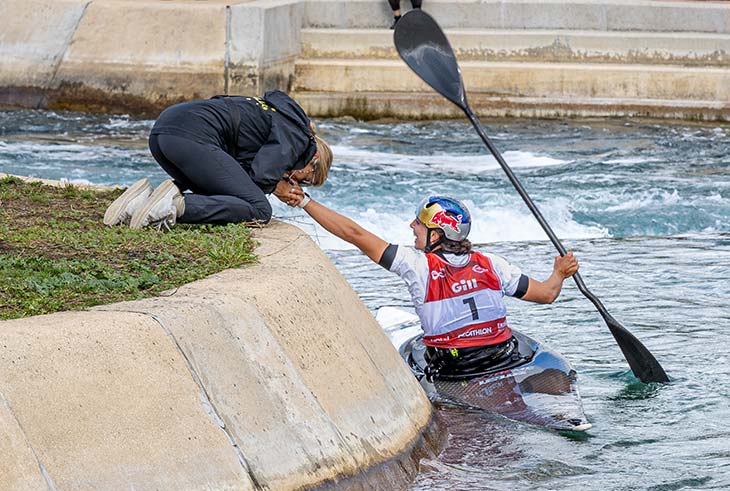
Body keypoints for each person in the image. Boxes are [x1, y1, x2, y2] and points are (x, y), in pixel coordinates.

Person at [289, 191, 579, 378]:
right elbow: (547, 294)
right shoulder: (492, 263)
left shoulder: (417, 266)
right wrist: (560, 273)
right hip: (502, 355)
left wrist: (304, 201)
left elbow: (354, 234)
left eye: (418, 223)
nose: (411, 227)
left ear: (437, 234)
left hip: (454, 366)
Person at [103, 90, 332, 230]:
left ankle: (138, 203)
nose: (295, 182)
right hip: (190, 137)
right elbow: (262, 177)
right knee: (260, 210)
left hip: (164, 132)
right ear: (314, 159)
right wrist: (276, 187)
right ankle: (170, 206)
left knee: (229, 195)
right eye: (304, 181)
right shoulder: (300, 139)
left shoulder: (279, 120)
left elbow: (241, 178)